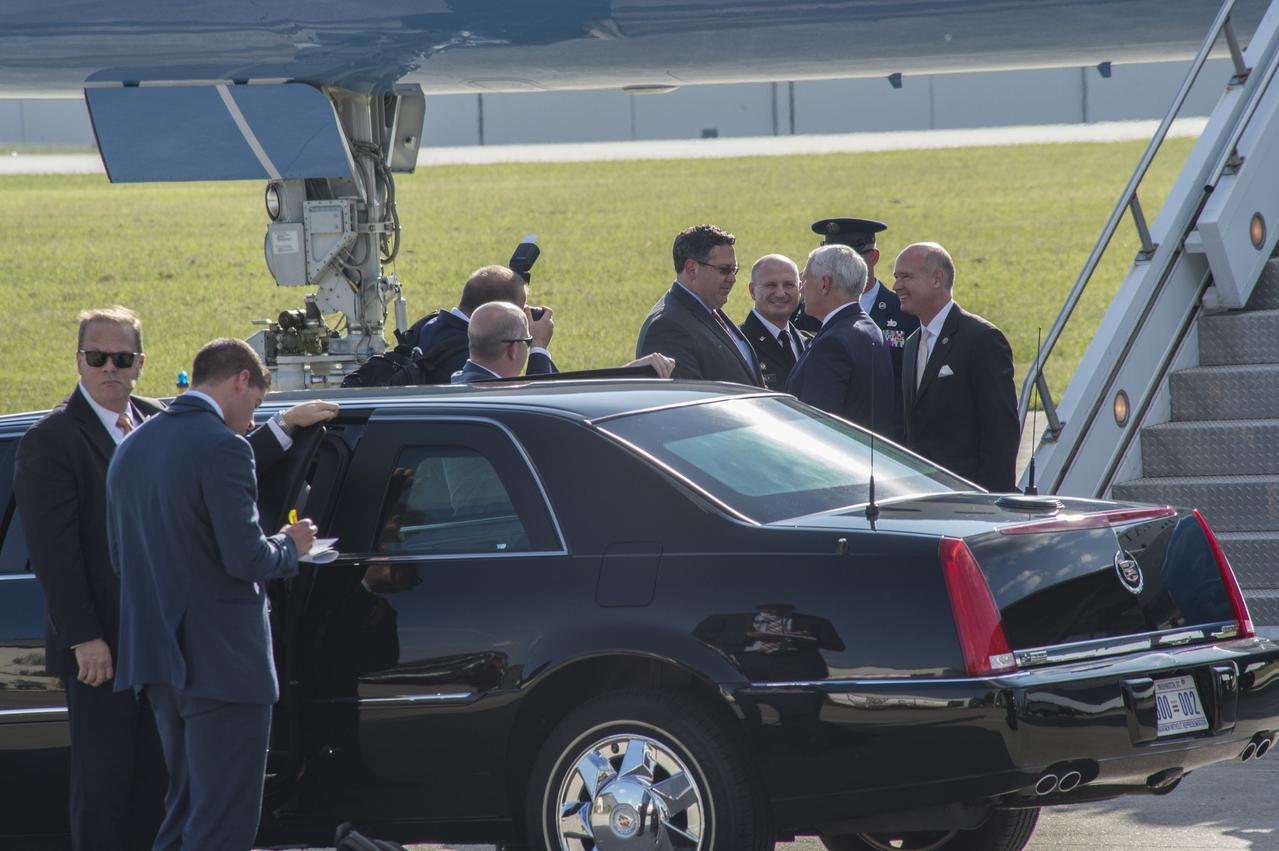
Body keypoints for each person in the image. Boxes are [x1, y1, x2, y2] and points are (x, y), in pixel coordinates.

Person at [12, 306, 335, 851]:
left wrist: (281, 429)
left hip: (157, 651)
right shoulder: (52, 439)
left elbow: (208, 471)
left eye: (121, 358)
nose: (109, 367)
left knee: (170, 798)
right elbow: (53, 554)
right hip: (108, 645)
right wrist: (84, 636)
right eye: (97, 358)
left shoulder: (148, 426)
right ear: (78, 361)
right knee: (108, 786)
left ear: (140, 363)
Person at [106, 337, 321, 851]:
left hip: (159, 661)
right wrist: (292, 546)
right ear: (240, 380)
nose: (252, 418)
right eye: (256, 403)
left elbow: (121, 560)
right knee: (222, 820)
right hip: (222, 665)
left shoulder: (131, 445)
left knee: (184, 812)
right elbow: (247, 558)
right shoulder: (224, 447)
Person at [894, 242, 1019, 491]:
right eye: (896, 278)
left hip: (969, 500)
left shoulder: (981, 339)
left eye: (906, 277)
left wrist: (990, 500)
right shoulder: (911, 345)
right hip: (923, 496)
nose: (897, 286)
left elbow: (1001, 431)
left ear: (937, 279)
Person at [811, 217, 918, 436]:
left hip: (889, 440)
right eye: (831, 261)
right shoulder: (807, 312)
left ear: (874, 257)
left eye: (850, 259)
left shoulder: (904, 312)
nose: (840, 269)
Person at [785, 245, 897, 438]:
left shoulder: (833, 344)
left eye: (805, 279)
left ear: (824, 284)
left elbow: (817, 428)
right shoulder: (869, 328)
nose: (801, 287)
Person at [636, 224, 764, 385]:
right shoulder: (667, 327)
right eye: (724, 270)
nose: (733, 278)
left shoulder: (708, 310)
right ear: (691, 269)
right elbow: (687, 403)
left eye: (734, 270)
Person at [402, 264, 556, 382]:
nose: (526, 316)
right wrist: (538, 347)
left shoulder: (429, 326)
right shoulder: (473, 353)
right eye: (522, 311)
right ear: (497, 311)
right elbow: (533, 406)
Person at [454, 301, 675, 381]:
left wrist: (629, 372)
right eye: (526, 341)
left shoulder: (457, 382)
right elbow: (546, 400)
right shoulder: (496, 399)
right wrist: (539, 347)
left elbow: (570, 389)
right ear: (513, 350)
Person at [739, 254, 807, 391]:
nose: (781, 293)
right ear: (752, 291)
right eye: (771, 285)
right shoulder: (738, 344)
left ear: (800, 288)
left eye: (789, 285)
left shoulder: (809, 342)